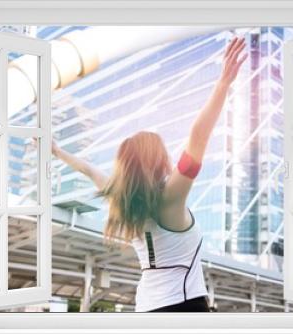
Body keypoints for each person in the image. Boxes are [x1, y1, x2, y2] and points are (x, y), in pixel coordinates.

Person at [52, 36, 248, 312]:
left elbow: (89, 170)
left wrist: (58, 152)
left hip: (145, 309)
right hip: (184, 307)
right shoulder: (170, 198)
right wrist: (223, 84)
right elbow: (198, 138)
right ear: (159, 160)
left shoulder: (122, 200)